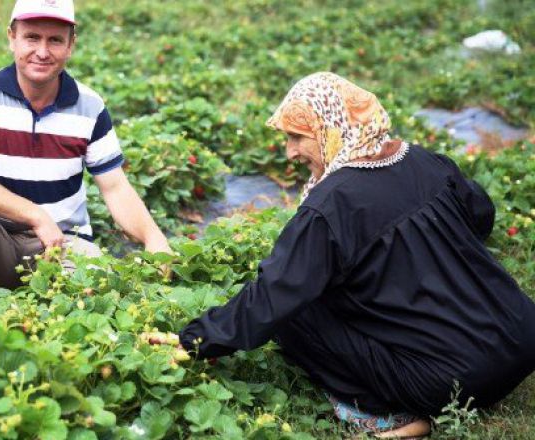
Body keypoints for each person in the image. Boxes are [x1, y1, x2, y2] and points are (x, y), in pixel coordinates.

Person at [154, 72, 535, 438]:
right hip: (521, 339)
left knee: (296, 314)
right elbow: (481, 213)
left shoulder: (332, 206)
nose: (289, 151)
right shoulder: (423, 161)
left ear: (331, 128)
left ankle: (395, 416)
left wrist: (195, 341)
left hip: (450, 382)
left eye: (297, 137)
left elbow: (274, 296)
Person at [0, 0, 171, 310]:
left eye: (55, 40)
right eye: (32, 37)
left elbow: (115, 188)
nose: (43, 51)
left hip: (61, 244)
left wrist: (154, 238)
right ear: (12, 38)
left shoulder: (90, 106)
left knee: (101, 290)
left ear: (71, 44)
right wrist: (35, 214)